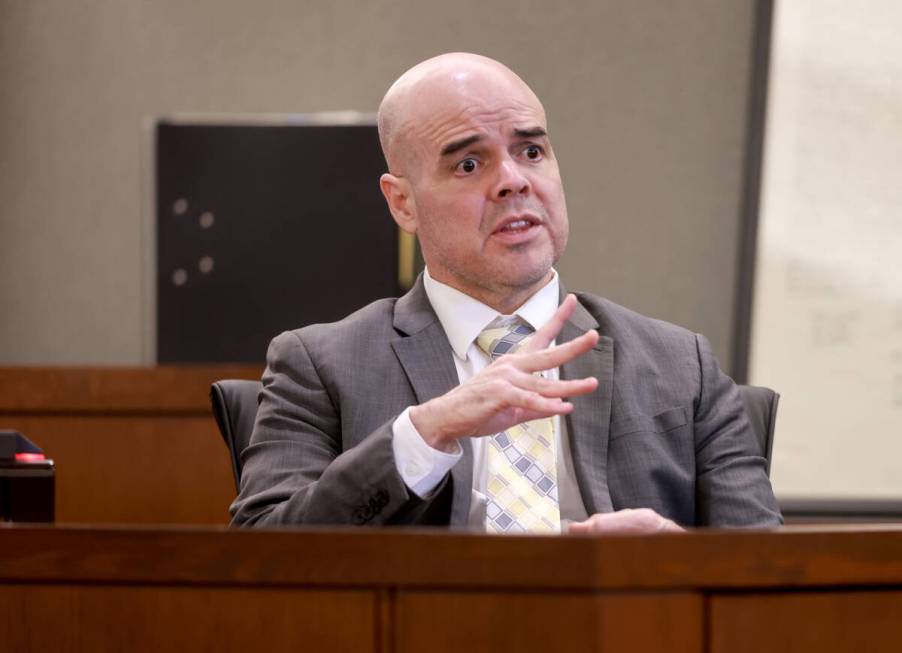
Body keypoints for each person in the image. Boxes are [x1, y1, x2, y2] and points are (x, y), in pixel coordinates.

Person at [230, 53, 782, 533]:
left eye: (532, 152)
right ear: (403, 203)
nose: (514, 180)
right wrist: (427, 431)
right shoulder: (320, 366)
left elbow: (768, 577)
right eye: (469, 164)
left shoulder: (682, 365)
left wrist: (671, 563)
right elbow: (262, 557)